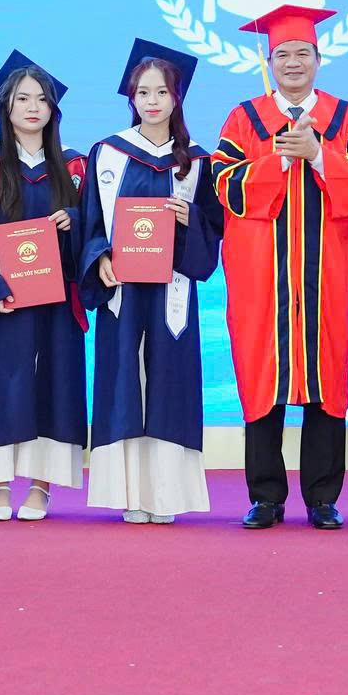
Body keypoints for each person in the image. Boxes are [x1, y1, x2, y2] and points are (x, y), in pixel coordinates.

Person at [210, 4, 348, 530]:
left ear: (318, 59)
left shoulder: (344, 117)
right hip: (261, 275)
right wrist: (282, 158)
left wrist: (319, 154)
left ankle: (322, 497)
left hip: (325, 273)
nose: (292, 63)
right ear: (269, 61)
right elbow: (224, 185)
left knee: (326, 374)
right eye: (282, 54)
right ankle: (266, 497)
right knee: (262, 374)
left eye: (302, 53)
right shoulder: (245, 118)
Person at [77, 40, 222, 523]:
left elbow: (214, 228)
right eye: (143, 92)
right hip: (122, 289)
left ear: (177, 97)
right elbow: (89, 222)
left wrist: (189, 219)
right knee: (124, 379)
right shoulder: (107, 153)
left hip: (172, 292)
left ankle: (166, 496)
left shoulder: (197, 162)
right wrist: (98, 258)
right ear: (131, 97)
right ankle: (129, 494)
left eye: (162, 92)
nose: (153, 100)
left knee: (168, 382)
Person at [0, 51, 90, 521]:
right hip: (2, 301)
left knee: (53, 384)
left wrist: (74, 221)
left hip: (56, 299)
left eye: (42, 99)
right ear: (5, 106)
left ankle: (41, 485)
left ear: (54, 108)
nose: (33, 107)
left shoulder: (75, 167)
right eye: (23, 98)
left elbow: (95, 232)